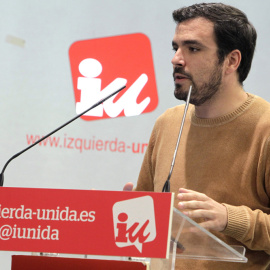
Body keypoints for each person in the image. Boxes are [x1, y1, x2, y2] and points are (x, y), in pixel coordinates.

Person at [125, 2, 270, 269]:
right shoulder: (168, 123)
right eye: (176, 47)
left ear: (231, 61)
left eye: (193, 48)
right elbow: (145, 228)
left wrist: (230, 218)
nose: (176, 59)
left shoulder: (265, 127)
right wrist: (132, 213)